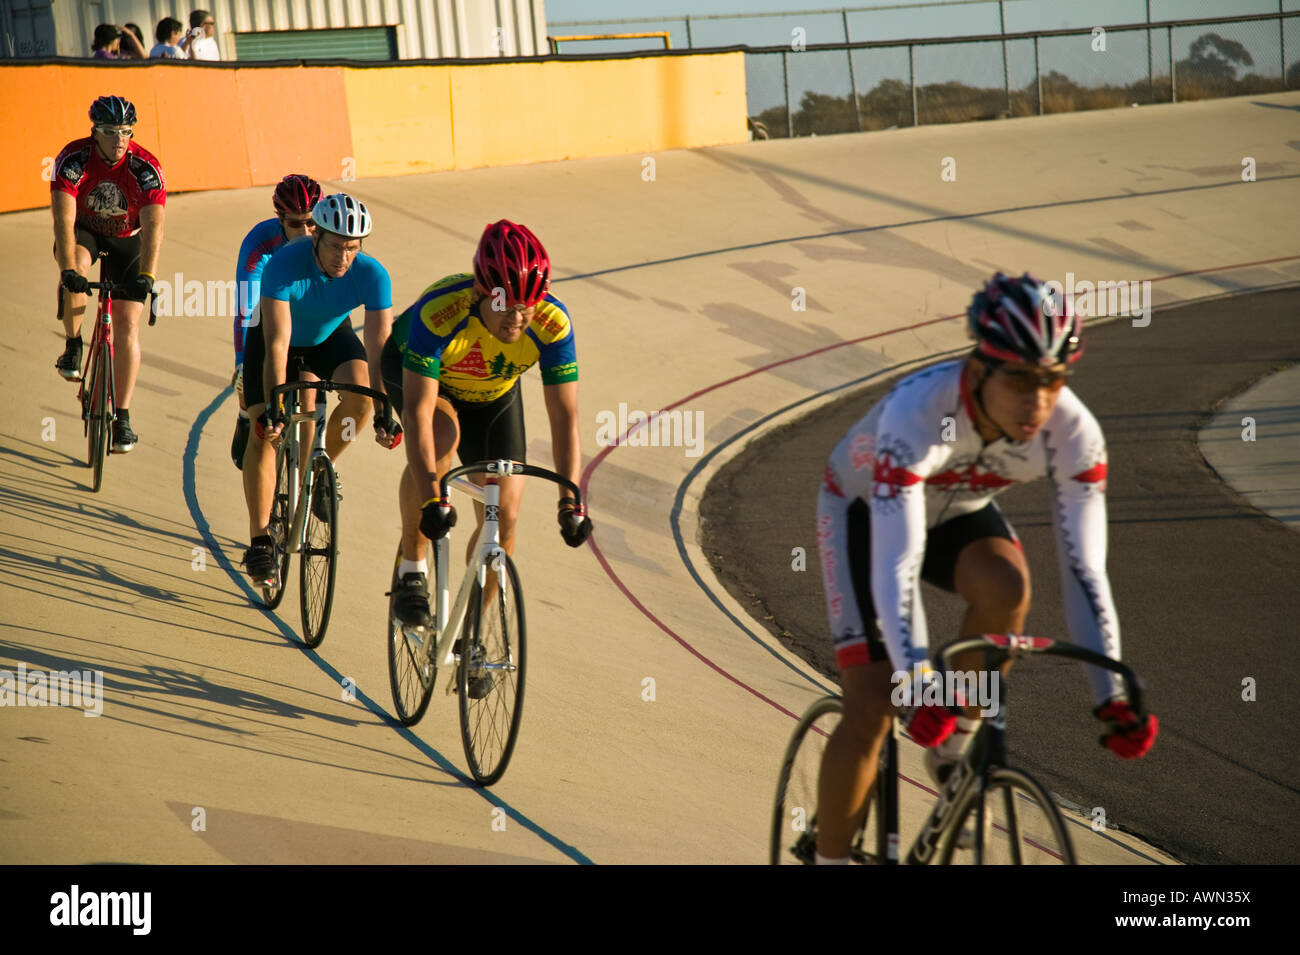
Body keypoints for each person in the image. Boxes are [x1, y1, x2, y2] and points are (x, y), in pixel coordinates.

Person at [812, 272, 1158, 865]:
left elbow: (1084, 571)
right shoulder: (918, 415)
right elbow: (897, 563)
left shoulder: (1074, 432)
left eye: (1052, 381)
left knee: (1008, 587)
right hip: (865, 514)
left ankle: (955, 753)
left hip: (958, 514)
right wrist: (918, 685)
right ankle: (831, 857)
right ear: (978, 368)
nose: (1037, 401)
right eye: (1021, 378)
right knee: (872, 704)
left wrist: (1112, 696)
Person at [384, 220, 592, 628]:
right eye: (505, 306)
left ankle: (475, 633)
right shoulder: (442, 312)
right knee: (443, 436)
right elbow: (419, 414)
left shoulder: (552, 324)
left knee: (505, 515)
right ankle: (412, 571)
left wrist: (571, 499)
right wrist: (431, 500)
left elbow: (565, 417)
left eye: (526, 307)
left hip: (493, 394)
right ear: (481, 292)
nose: (516, 319)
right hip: (428, 382)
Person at [240, 193, 400, 582]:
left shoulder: (373, 275)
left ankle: (320, 466)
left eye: (352, 248)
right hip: (277, 339)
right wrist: (275, 405)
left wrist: (385, 411)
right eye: (335, 246)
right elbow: (277, 342)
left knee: (362, 399)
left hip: (329, 338)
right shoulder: (285, 264)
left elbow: (379, 348)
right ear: (316, 238)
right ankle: (260, 541)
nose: (343, 257)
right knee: (265, 430)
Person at [51, 95, 166, 454]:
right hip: (85, 232)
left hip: (127, 240)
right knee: (80, 268)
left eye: (126, 132)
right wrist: (68, 270)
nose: (119, 139)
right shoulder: (73, 160)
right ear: (94, 132)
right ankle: (73, 344)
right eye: (110, 131)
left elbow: (154, 226)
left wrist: (148, 275)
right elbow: (63, 221)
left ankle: (124, 416)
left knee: (128, 324)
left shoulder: (145, 168)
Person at [230, 174, 322, 470]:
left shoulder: (327, 242)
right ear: (280, 219)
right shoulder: (260, 243)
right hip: (266, 307)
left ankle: (310, 476)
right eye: (295, 223)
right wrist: (242, 362)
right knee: (251, 372)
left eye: (311, 222)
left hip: (305, 313)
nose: (305, 231)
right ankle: (246, 416)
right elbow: (246, 309)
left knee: (310, 395)